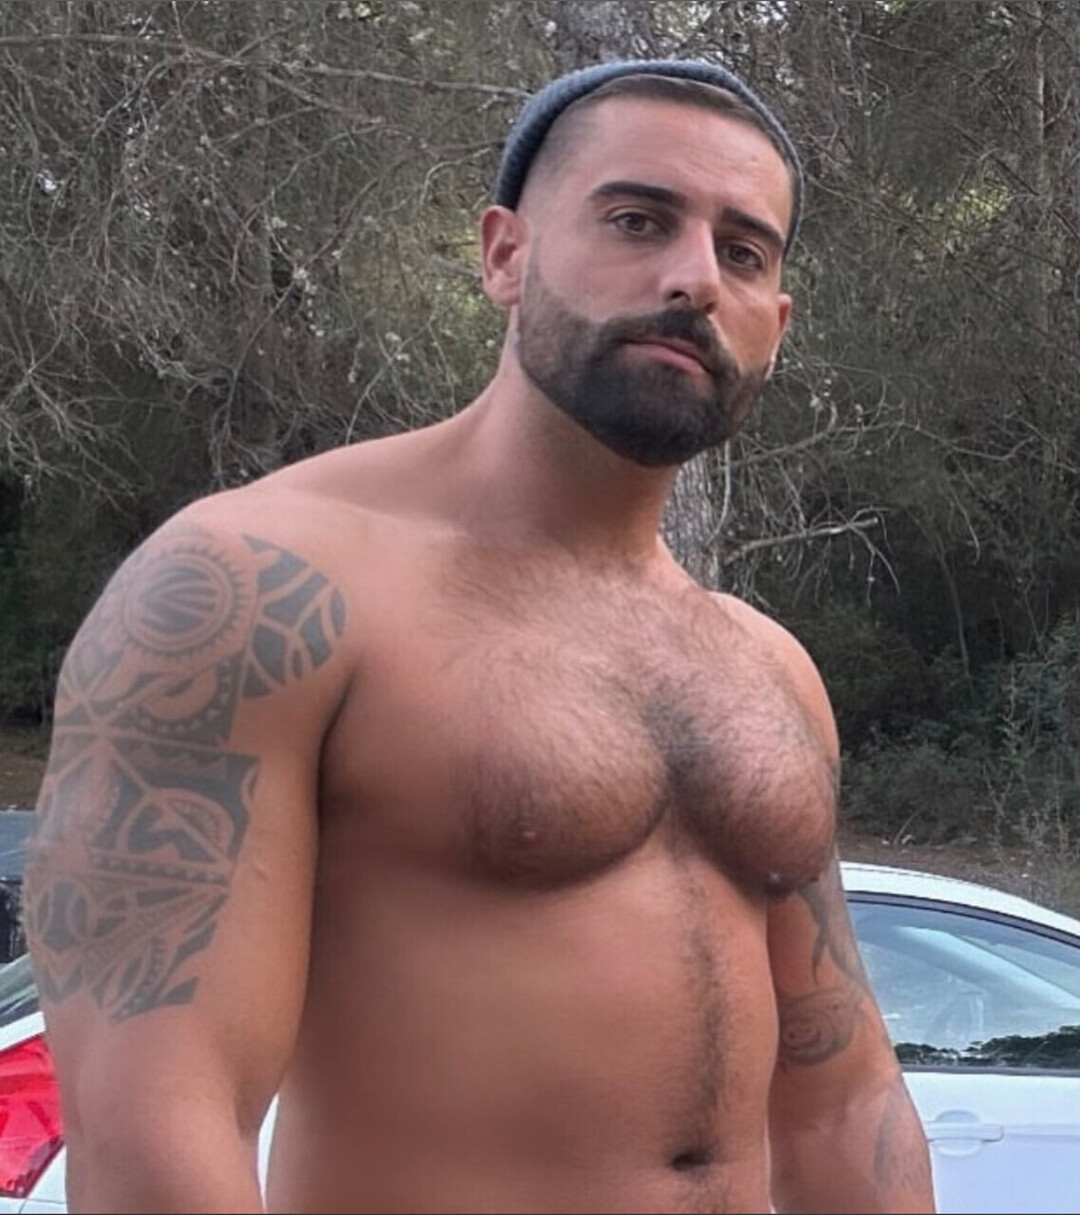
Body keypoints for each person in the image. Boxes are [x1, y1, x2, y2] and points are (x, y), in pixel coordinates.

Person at [23, 58, 935, 1214]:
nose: (695, 278)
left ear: (777, 325)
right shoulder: (256, 590)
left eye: (744, 252)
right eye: (638, 220)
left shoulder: (767, 671)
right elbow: (154, 1126)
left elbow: (841, 1099)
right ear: (505, 254)